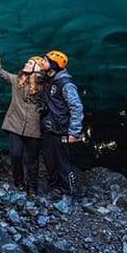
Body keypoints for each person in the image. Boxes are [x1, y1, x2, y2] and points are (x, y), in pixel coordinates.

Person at [0, 41, 46, 194]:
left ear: (37, 69)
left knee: (32, 159)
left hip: (33, 128)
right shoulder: (16, 81)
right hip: (14, 124)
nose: (26, 64)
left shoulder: (43, 87)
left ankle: (32, 187)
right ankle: (18, 181)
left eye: (30, 63)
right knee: (16, 154)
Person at [39, 50, 84, 198]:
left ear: (53, 65)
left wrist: (74, 132)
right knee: (49, 159)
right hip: (48, 127)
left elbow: (76, 107)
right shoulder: (48, 79)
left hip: (61, 128)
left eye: (45, 60)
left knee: (62, 162)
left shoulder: (65, 83)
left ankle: (68, 190)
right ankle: (54, 187)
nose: (42, 62)